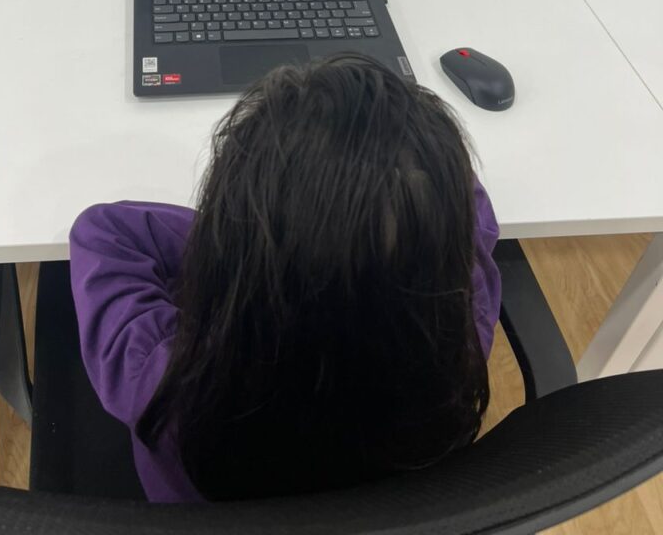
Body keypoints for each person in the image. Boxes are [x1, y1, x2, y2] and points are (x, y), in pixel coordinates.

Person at [70, 53, 500, 503]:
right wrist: (399, 189)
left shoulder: (158, 381)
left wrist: (250, 233)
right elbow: (471, 211)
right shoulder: (464, 331)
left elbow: (104, 230)